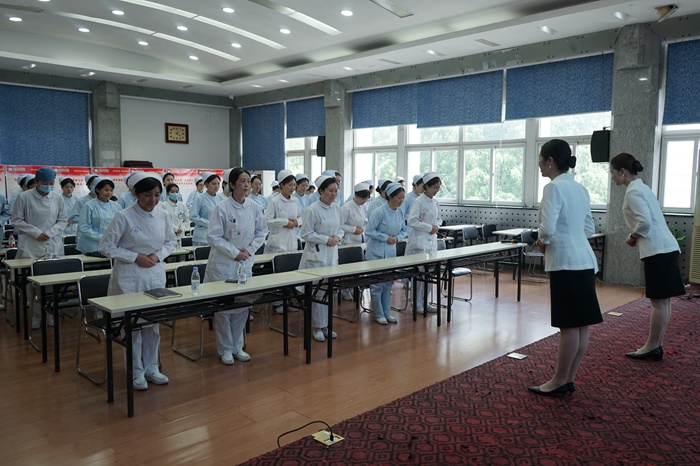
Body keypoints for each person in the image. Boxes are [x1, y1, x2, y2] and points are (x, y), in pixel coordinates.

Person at [528, 139, 602, 396]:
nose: (539, 164)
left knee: (569, 326)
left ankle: (558, 380)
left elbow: (547, 228)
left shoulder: (553, 188)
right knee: (581, 326)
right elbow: (589, 228)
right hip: (585, 260)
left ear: (550, 161)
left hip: (566, 263)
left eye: (540, 159)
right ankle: (568, 378)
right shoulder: (580, 188)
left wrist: (541, 242)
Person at [99, 172, 176, 390]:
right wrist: (135, 257)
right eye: (147, 195)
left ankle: (152, 367)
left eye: (157, 195)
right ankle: (135, 371)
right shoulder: (123, 216)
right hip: (129, 276)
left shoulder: (163, 215)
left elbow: (171, 241)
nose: (153, 200)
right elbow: (105, 247)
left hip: (154, 274)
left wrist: (157, 256)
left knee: (152, 325)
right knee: (132, 327)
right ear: (136, 194)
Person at [610, 152, 685, 361]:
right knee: (664, 303)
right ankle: (656, 344)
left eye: (612, 172)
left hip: (657, 251)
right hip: (665, 248)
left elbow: (644, 222)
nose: (612, 177)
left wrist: (632, 237)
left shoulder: (633, 191)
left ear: (623, 171)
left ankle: (651, 346)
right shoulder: (642, 188)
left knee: (659, 303)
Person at [205, 167, 268, 365]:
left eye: (248, 181)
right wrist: (235, 253)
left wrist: (248, 251)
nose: (247, 185)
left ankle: (237, 346)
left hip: (245, 261)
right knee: (224, 309)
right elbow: (213, 236)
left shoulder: (254, 207)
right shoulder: (222, 208)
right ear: (231, 185)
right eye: (242, 181)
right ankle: (225, 348)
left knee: (243, 305)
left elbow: (262, 232)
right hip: (224, 262)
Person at [11, 168, 67, 329]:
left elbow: (63, 220)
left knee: (51, 281)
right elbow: (16, 219)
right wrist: (36, 233)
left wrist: (49, 233)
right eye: (44, 183)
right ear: (36, 182)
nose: (48, 186)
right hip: (30, 245)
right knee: (32, 283)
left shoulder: (57, 198)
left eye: (51, 183)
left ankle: (49, 314)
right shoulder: (24, 197)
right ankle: (36, 316)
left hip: (52, 243)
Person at [299, 175, 344, 342]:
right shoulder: (312, 210)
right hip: (316, 255)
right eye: (330, 191)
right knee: (317, 293)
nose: (333, 194)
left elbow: (341, 229)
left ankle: (325, 325)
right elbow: (305, 233)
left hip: (332, 254)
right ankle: (317, 327)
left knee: (328, 291)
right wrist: (326, 239)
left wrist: (337, 237)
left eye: (336, 191)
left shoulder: (337, 209)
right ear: (321, 191)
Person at [365, 183, 409, 324]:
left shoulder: (400, 212)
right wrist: (385, 238)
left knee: (388, 283)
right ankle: (379, 313)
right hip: (376, 252)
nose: (401, 201)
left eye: (403, 198)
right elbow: (369, 231)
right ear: (390, 197)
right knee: (377, 285)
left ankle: (387, 312)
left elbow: (405, 230)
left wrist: (397, 238)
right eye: (399, 198)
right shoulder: (379, 212)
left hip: (390, 252)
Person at [405, 173, 442, 314]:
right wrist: (428, 227)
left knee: (429, 274)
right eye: (434, 187)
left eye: (438, 188)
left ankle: (425, 302)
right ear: (426, 186)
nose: (436, 190)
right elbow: (412, 221)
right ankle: (416, 303)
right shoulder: (418, 201)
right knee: (419, 275)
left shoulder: (435, 202)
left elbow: (439, 218)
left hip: (431, 241)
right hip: (419, 242)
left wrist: (436, 226)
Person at [76, 177, 120, 255]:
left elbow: (119, 225)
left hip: (110, 244)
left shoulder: (116, 206)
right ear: (98, 190)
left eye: (111, 190)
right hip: (91, 245)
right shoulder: (89, 206)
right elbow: (83, 227)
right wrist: (101, 237)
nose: (109, 193)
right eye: (106, 190)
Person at [189, 172, 224, 246]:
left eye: (218, 184)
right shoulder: (200, 198)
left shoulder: (221, 198)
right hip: (202, 237)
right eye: (213, 184)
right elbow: (193, 216)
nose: (216, 186)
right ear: (206, 184)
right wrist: (209, 223)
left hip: (217, 236)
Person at [69, 174, 98, 241]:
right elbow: (73, 218)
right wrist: (90, 219)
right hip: (85, 235)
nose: (96, 186)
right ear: (88, 186)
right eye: (93, 184)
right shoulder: (81, 201)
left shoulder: (104, 202)